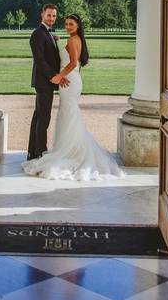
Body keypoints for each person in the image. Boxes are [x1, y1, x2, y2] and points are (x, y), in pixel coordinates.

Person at [23, 13, 126, 180]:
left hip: (68, 80)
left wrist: (59, 76)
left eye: (71, 24)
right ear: (42, 15)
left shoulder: (72, 40)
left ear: (77, 26)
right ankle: (64, 149)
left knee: (68, 114)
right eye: (66, 24)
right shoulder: (74, 38)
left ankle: (68, 150)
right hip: (71, 79)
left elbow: (72, 63)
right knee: (66, 114)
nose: (68, 27)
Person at [26, 4, 67, 160]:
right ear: (42, 14)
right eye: (49, 15)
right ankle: (41, 151)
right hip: (43, 81)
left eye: (54, 16)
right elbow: (40, 60)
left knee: (39, 116)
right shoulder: (37, 34)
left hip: (46, 81)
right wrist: (53, 76)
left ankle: (33, 151)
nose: (51, 18)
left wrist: (55, 40)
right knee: (44, 117)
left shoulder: (48, 33)